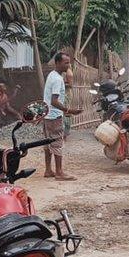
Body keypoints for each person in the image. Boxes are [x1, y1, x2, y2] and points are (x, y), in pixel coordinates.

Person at [42, 52, 82, 181]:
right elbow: (54, 101)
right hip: (54, 116)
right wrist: (69, 110)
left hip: (47, 114)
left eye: (68, 62)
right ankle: (59, 172)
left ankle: (48, 170)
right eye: (66, 63)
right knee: (57, 143)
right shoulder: (57, 79)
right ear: (57, 63)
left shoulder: (52, 76)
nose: (68, 65)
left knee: (48, 143)